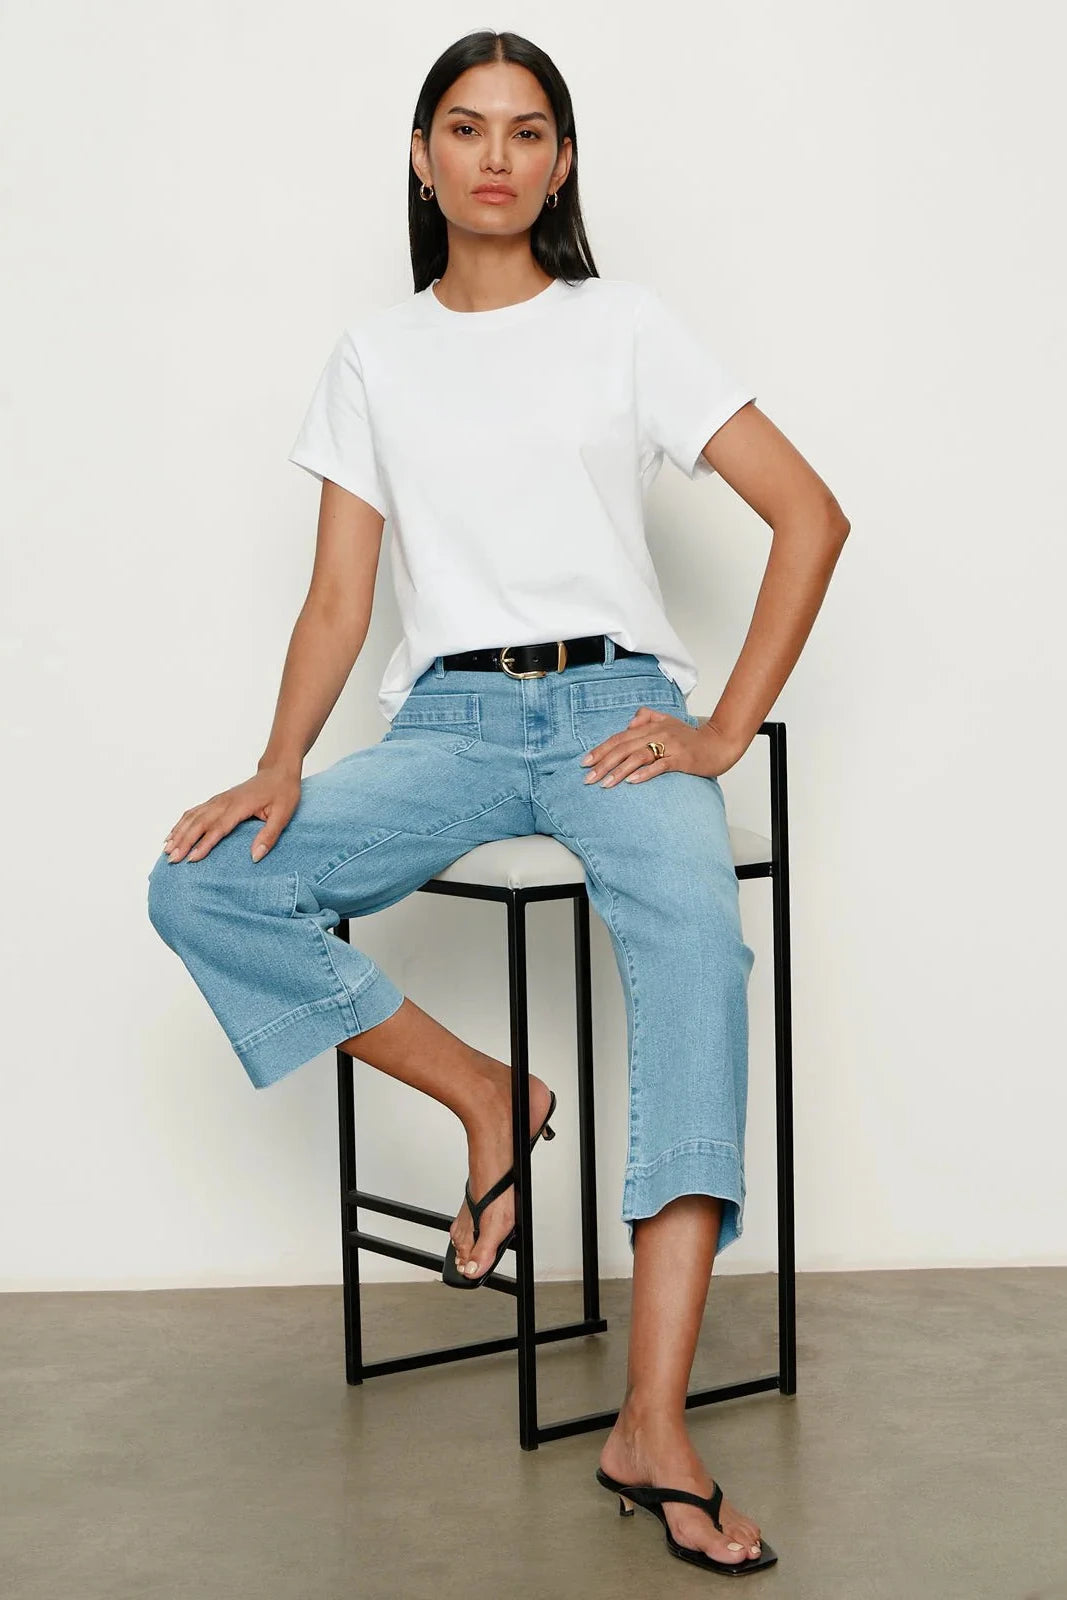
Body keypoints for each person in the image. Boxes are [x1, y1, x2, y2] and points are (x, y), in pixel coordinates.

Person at [147, 29, 849, 1579]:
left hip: (618, 714)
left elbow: (810, 513)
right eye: (464, 130)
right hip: (448, 719)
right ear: (421, 156)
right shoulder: (375, 356)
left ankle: (651, 1424)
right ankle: (485, 1097)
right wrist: (281, 761)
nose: (495, 158)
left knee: (698, 963)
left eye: (528, 133)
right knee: (200, 881)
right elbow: (341, 603)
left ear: (562, 162)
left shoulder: (626, 329)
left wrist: (722, 724)